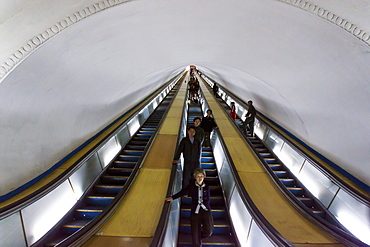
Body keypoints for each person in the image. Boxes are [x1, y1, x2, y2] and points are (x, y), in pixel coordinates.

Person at [166, 168, 214, 247]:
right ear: (195, 177)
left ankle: (198, 237)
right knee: (195, 232)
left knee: (209, 231)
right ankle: (196, 241)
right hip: (195, 211)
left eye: (202, 176)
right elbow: (183, 192)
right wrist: (172, 197)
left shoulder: (207, 187)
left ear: (204, 177)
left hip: (205, 210)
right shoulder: (191, 186)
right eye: (198, 176)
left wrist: (207, 210)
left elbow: (208, 200)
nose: (200, 178)